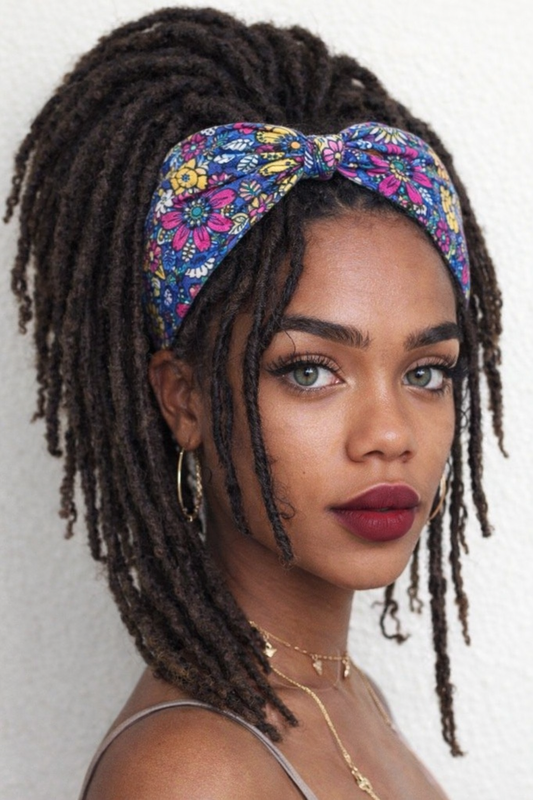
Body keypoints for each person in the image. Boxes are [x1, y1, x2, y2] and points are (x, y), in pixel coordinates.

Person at [5, 6, 504, 799]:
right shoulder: (190, 771)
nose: (387, 435)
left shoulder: (343, 697)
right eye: (309, 370)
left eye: (425, 372)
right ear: (183, 399)